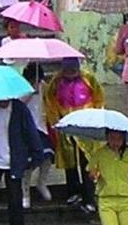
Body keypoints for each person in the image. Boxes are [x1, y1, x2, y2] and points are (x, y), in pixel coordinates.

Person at [44, 58, 104, 213]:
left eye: (73, 70)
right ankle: (73, 191)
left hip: (86, 125)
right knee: (69, 161)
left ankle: (89, 197)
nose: (70, 73)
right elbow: (50, 102)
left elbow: (99, 98)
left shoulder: (88, 78)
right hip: (66, 125)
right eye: (67, 70)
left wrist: (96, 117)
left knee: (88, 161)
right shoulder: (56, 82)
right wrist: (55, 122)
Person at [21, 63, 53, 209]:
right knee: (28, 163)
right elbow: (19, 104)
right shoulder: (21, 87)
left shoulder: (43, 86)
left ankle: (42, 182)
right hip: (27, 129)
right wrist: (29, 91)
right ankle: (25, 192)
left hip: (41, 127)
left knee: (47, 156)